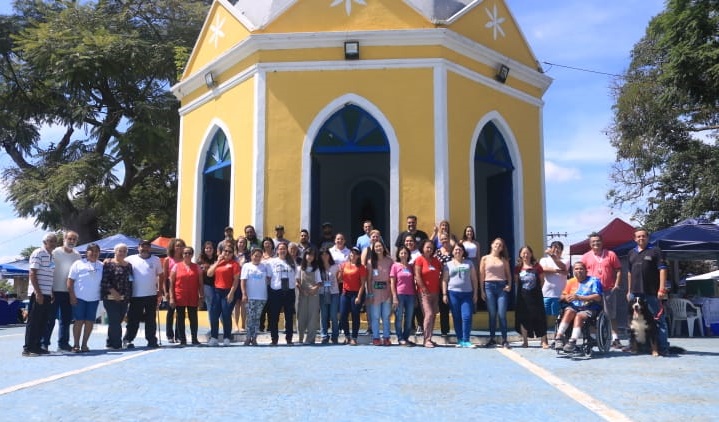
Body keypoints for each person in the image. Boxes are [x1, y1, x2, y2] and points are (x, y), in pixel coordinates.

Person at [627, 227, 670, 356]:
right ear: (634, 239)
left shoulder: (655, 251)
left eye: (643, 236)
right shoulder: (631, 253)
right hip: (635, 292)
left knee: (658, 320)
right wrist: (629, 291)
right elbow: (629, 273)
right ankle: (634, 346)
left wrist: (661, 289)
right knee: (633, 321)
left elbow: (662, 269)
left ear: (648, 237)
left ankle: (663, 348)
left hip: (652, 292)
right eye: (638, 236)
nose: (641, 238)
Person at [581, 232, 623, 349]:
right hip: (591, 292)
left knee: (611, 315)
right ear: (590, 244)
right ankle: (593, 338)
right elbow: (580, 272)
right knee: (591, 315)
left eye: (598, 241)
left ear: (602, 242)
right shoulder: (585, 257)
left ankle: (615, 339)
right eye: (593, 242)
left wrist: (616, 284)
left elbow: (618, 270)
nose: (596, 243)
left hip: (608, 290)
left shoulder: (611, 254)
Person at [554, 261, 603, 353]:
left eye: (581, 268)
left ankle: (572, 341)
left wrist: (579, 297)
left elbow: (598, 297)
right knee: (569, 311)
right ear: (573, 271)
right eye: (576, 269)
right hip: (574, 307)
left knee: (579, 316)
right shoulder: (570, 282)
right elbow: (562, 296)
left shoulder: (594, 281)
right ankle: (559, 337)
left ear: (586, 270)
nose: (579, 270)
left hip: (589, 307)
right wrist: (565, 297)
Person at [123, 240, 164, 349]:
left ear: (150, 248)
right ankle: (127, 340)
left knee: (151, 320)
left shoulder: (156, 259)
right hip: (135, 295)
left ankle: (152, 340)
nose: (145, 249)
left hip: (151, 295)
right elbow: (119, 263)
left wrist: (160, 290)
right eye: (142, 246)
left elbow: (161, 275)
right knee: (133, 320)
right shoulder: (130, 259)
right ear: (138, 248)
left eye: (147, 246)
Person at [23, 233, 58, 357]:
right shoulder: (38, 253)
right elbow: (32, 273)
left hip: (47, 293)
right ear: (45, 242)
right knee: (34, 321)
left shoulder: (51, 256)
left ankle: (37, 346)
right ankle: (28, 348)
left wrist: (51, 291)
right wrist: (38, 292)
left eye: (55, 241)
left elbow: (50, 275)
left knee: (43, 321)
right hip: (38, 293)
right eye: (51, 241)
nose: (53, 243)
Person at [47, 230, 80, 352]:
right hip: (54, 290)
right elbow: (48, 270)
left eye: (74, 239)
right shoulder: (55, 252)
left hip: (68, 292)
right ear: (64, 239)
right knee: (50, 319)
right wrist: (49, 289)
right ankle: (44, 343)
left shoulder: (77, 255)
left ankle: (63, 344)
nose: (71, 241)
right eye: (69, 239)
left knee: (66, 320)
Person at [67, 243, 103, 353]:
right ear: (87, 252)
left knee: (89, 322)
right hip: (79, 298)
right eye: (91, 251)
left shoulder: (101, 265)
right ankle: (76, 345)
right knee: (79, 321)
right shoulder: (78, 264)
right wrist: (72, 296)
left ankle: (84, 345)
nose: (94, 253)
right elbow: (70, 281)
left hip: (94, 299)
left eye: (96, 251)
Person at [442, 243, 478, 348]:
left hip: (467, 294)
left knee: (467, 316)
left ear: (463, 251)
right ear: (453, 252)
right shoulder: (448, 264)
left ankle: (466, 340)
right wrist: (444, 294)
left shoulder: (469, 263)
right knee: (456, 317)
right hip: (453, 293)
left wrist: (475, 293)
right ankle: (460, 340)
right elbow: (444, 280)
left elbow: (474, 279)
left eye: (460, 249)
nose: (458, 251)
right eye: (456, 249)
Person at [479, 237, 512, 348]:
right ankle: (492, 338)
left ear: (502, 248)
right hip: (489, 286)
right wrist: (482, 290)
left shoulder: (504, 260)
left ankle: (504, 339)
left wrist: (509, 285)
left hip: (501, 287)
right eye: (496, 244)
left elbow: (508, 274)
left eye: (500, 245)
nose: (498, 246)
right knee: (492, 314)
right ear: (492, 245)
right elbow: (481, 275)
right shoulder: (484, 259)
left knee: (502, 314)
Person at [207, 244, 241, 346]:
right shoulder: (218, 263)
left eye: (230, 252)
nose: (227, 253)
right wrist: (218, 262)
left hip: (228, 291)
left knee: (226, 314)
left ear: (232, 254)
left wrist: (231, 293)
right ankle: (214, 337)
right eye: (225, 251)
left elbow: (236, 280)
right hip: (217, 291)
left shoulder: (234, 264)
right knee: (214, 315)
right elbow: (209, 274)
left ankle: (227, 337)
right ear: (222, 252)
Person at [101, 243, 133, 350]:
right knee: (114, 320)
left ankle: (110, 342)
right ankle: (117, 344)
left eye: (124, 251)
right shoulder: (108, 263)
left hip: (124, 298)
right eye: (120, 251)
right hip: (110, 298)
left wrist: (129, 296)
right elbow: (104, 280)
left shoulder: (129, 266)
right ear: (115, 252)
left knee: (117, 321)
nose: (122, 253)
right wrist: (114, 292)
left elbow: (130, 281)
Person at [514, 245, 547, 348]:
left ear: (531, 254)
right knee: (523, 318)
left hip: (536, 296)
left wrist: (536, 291)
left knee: (540, 317)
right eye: (523, 253)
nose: (526, 255)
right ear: (520, 255)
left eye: (527, 253)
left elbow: (542, 281)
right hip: (523, 297)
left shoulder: (537, 266)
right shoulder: (518, 268)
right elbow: (517, 282)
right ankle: (525, 341)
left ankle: (544, 341)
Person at [169, 246, 202, 345]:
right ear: (182, 255)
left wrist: (201, 297)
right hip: (180, 295)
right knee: (180, 318)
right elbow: (171, 283)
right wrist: (171, 297)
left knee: (193, 318)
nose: (187, 255)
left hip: (193, 296)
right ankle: (182, 339)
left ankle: (194, 338)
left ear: (192, 255)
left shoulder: (197, 267)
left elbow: (200, 283)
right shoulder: (176, 266)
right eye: (185, 253)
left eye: (189, 253)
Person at [266, 242, 297, 345]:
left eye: (284, 249)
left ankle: (289, 339)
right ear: (277, 251)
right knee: (274, 316)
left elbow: (296, 276)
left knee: (289, 316)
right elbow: (268, 278)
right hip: (276, 291)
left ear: (287, 250)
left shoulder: (292, 262)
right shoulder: (271, 262)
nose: (282, 250)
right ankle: (274, 339)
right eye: (280, 249)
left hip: (289, 291)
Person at [240, 247, 272, 346]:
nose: (257, 258)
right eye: (255, 256)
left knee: (257, 318)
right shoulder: (246, 266)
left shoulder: (264, 266)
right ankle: (248, 337)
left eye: (259, 256)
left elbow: (269, 278)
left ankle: (254, 338)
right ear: (251, 256)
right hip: (250, 296)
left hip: (262, 296)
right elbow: (243, 281)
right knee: (250, 317)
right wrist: (244, 294)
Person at [539, 241, 568, 348]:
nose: (556, 250)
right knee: (544, 318)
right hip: (545, 293)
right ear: (550, 248)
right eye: (554, 247)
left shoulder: (565, 260)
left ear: (562, 250)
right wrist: (558, 270)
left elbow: (564, 267)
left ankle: (558, 339)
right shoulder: (544, 260)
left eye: (558, 248)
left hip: (560, 294)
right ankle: (544, 340)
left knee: (559, 318)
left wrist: (555, 260)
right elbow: (543, 269)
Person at [414, 239, 442, 348]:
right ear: (423, 248)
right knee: (429, 314)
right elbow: (417, 275)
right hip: (424, 293)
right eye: (427, 247)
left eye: (431, 247)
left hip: (435, 292)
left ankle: (430, 337)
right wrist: (423, 288)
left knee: (433, 315)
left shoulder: (436, 260)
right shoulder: (419, 260)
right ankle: (426, 340)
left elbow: (441, 273)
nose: (429, 249)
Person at [366, 240, 393, 346]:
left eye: (380, 246)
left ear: (383, 247)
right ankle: (376, 337)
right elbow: (368, 280)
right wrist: (370, 293)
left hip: (387, 291)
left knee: (386, 316)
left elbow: (392, 278)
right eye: (376, 247)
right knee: (375, 316)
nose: (378, 248)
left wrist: (392, 293)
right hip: (375, 292)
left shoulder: (389, 261)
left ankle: (386, 337)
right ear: (373, 249)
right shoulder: (370, 262)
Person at [338, 247, 367, 345]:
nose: (353, 255)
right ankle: (347, 336)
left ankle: (354, 337)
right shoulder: (344, 265)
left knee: (355, 315)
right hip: (345, 293)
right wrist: (340, 272)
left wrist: (359, 297)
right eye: (351, 253)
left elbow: (363, 284)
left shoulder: (361, 267)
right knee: (343, 315)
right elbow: (340, 280)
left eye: (355, 254)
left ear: (358, 256)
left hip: (356, 293)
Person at [390, 245, 415, 346]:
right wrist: (394, 297)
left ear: (408, 254)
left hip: (411, 295)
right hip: (399, 294)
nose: (403, 255)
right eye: (401, 253)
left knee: (409, 318)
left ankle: (406, 337)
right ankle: (400, 338)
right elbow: (392, 283)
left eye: (405, 253)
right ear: (398, 255)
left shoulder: (411, 267)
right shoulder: (395, 266)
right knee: (399, 317)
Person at [162, 238, 185, 343]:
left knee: (180, 312)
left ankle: (178, 335)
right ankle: (169, 335)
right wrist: (165, 292)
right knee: (170, 311)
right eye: (177, 245)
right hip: (169, 285)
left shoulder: (184, 259)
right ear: (173, 247)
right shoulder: (168, 260)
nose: (179, 248)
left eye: (181, 246)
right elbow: (164, 277)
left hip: (180, 286)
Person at [297, 247, 321, 345]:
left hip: (314, 294)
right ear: (305, 256)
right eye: (308, 254)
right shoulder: (300, 268)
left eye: (312, 255)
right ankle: (300, 338)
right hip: (303, 294)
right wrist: (302, 291)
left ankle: (310, 339)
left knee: (313, 316)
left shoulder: (316, 269)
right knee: (301, 316)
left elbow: (319, 282)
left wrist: (314, 289)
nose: (310, 257)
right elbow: (297, 282)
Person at [318, 247, 340, 344]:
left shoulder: (335, 266)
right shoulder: (318, 268)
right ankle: (324, 335)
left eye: (326, 254)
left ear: (329, 255)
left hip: (334, 293)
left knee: (333, 315)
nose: (324, 256)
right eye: (322, 254)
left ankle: (335, 335)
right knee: (324, 315)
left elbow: (339, 278)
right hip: (322, 293)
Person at [434, 232, 453, 338]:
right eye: (442, 239)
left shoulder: (453, 251)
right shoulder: (437, 252)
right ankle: (444, 330)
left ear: (449, 239)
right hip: (440, 282)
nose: (444, 241)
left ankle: (459, 331)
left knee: (454, 307)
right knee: (443, 307)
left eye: (446, 238)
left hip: (453, 282)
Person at [197, 241, 217, 331]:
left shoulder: (217, 259)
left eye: (210, 248)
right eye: (206, 248)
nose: (208, 250)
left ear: (213, 249)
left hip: (217, 285)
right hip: (206, 285)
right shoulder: (200, 260)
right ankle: (213, 328)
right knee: (211, 306)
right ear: (204, 249)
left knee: (217, 306)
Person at [233, 236, 250, 332]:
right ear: (237, 243)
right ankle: (236, 325)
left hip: (245, 281)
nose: (241, 244)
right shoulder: (233, 255)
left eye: (243, 242)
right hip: (235, 281)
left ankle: (243, 325)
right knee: (236, 304)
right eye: (240, 242)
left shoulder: (248, 255)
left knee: (244, 303)